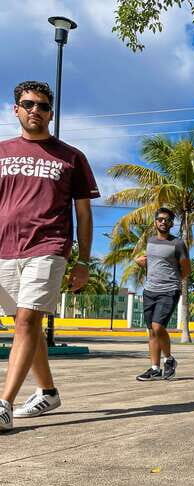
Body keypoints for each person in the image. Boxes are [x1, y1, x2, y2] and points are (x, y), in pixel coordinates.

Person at [0, 81, 98, 431]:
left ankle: (4, 404)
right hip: (4, 250)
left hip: (49, 247)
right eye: (28, 104)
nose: (35, 111)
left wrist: (83, 261)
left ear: (51, 114)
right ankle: (48, 391)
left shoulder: (71, 157)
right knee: (26, 325)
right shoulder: (2, 152)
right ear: (16, 109)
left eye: (42, 106)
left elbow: (84, 215)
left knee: (27, 321)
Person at [134, 207, 190, 381]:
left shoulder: (178, 244)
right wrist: (138, 261)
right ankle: (154, 368)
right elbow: (152, 261)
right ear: (155, 221)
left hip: (169, 290)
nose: (163, 222)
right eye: (160, 219)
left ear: (171, 223)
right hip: (149, 290)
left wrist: (173, 282)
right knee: (151, 331)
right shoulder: (150, 241)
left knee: (158, 327)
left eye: (166, 220)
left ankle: (170, 359)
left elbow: (186, 269)